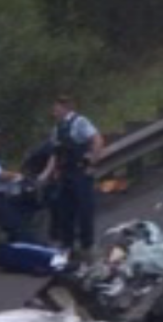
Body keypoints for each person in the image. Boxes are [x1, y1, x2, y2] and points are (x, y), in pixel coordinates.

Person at [40, 95, 105, 261]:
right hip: (65, 173)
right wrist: (46, 174)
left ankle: (87, 246)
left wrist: (92, 163)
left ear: (66, 107)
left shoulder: (79, 122)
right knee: (65, 210)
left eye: (57, 108)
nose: (54, 111)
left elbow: (96, 139)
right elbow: (55, 154)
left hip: (80, 172)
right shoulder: (57, 128)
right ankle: (68, 245)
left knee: (84, 210)